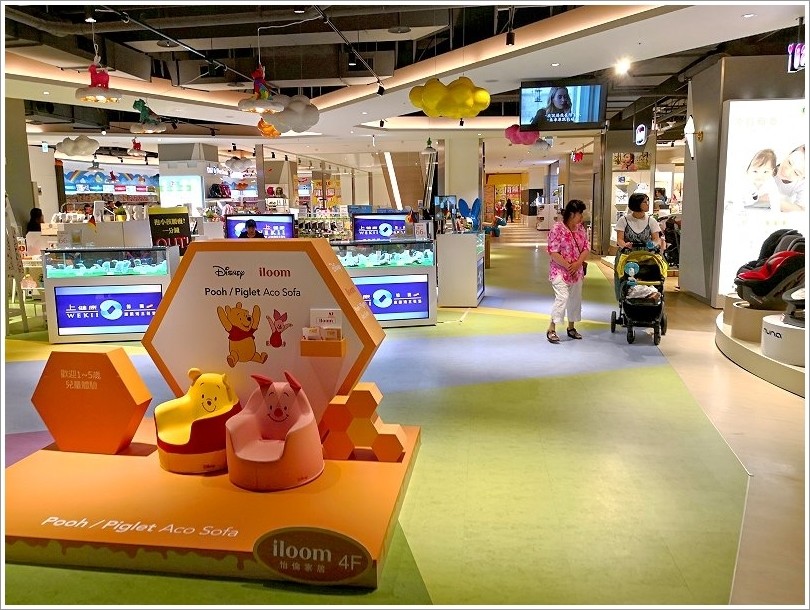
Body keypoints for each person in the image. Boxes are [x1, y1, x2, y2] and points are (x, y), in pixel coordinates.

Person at [545, 199, 588, 344]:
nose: (581, 217)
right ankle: (551, 328)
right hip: (559, 270)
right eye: (579, 214)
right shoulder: (557, 229)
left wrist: (578, 264)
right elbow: (553, 251)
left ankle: (571, 327)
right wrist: (569, 266)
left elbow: (585, 248)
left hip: (577, 272)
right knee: (562, 297)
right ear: (571, 214)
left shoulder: (581, 229)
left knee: (575, 299)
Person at [775, 144, 806, 211]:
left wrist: (773, 200)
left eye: (796, 173)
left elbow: (801, 209)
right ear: (788, 154)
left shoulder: (803, 185)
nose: (786, 172)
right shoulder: (772, 161)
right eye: (789, 162)